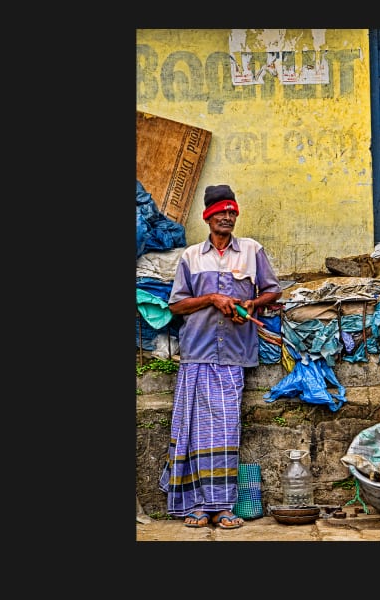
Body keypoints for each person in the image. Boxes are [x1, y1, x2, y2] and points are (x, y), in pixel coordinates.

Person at [158, 184, 282, 528]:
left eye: (232, 212)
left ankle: (223, 507)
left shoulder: (252, 251)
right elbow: (176, 304)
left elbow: (273, 290)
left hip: (233, 357)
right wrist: (212, 298)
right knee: (193, 432)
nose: (228, 217)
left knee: (225, 431)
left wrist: (251, 303)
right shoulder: (191, 257)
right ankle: (195, 505)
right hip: (196, 353)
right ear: (208, 217)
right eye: (221, 212)